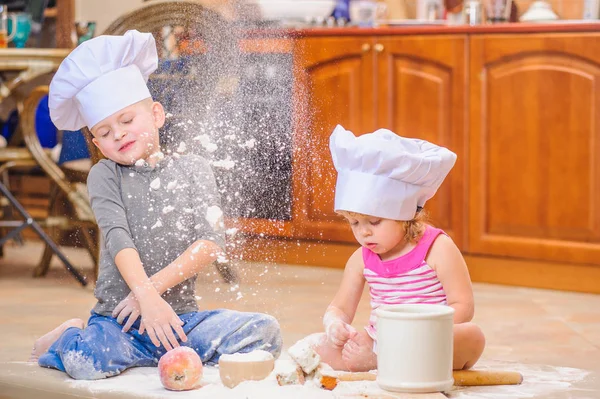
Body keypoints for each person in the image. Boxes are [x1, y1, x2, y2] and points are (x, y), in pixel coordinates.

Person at [28, 30, 282, 380]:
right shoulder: (104, 175)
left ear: (157, 115)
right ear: (98, 145)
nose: (117, 134)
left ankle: (153, 354)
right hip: (121, 323)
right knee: (89, 361)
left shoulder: (194, 169)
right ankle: (68, 336)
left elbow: (210, 244)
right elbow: (118, 238)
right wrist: (142, 299)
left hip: (179, 321)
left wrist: (151, 295)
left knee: (264, 331)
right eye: (103, 132)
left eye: (127, 120)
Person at [312, 125, 485, 372]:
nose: (364, 232)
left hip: (428, 337)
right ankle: (388, 361)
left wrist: (416, 331)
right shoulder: (361, 259)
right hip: (378, 343)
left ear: (405, 215)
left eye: (374, 221)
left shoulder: (437, 248)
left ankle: (386, 362)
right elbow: (339, 307)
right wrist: (335, 324)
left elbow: (463, 306)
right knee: (315, 346)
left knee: (472, 336)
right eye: (354, 223)